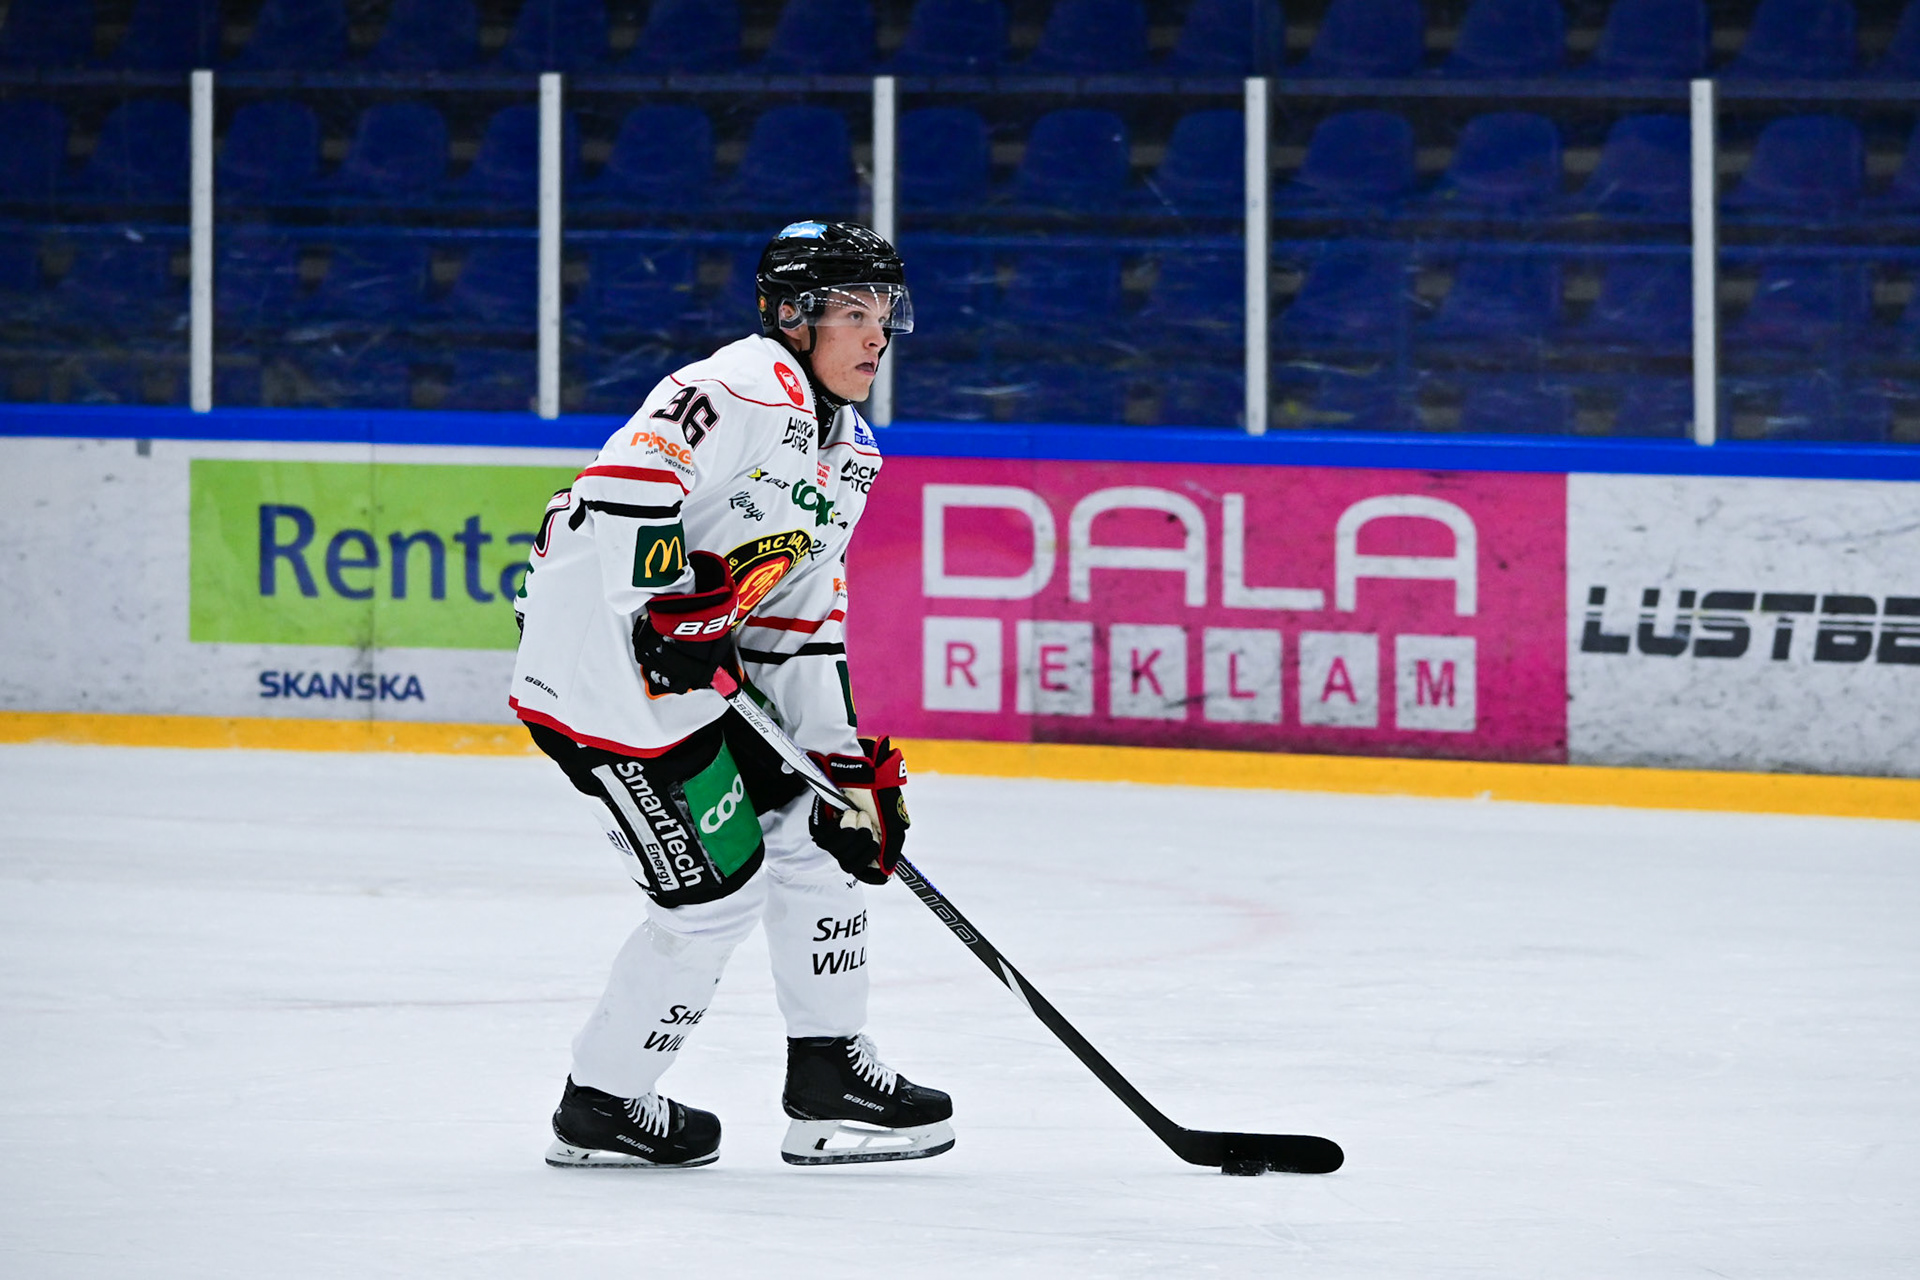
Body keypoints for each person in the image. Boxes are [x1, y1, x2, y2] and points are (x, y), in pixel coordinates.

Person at [509, 221, 951, 1169]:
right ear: (793, 314)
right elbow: (626, 482)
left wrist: (839, 764)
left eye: (886, 313)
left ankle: (829, 1074)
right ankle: (602, 1104)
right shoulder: (742, 383)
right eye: (855, 312)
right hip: (604, 689)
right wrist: (665, 601)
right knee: (713, 899)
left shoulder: (852, 455)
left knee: (823, 829)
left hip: (695, 679)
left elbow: (798, 621)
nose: (878, 335)